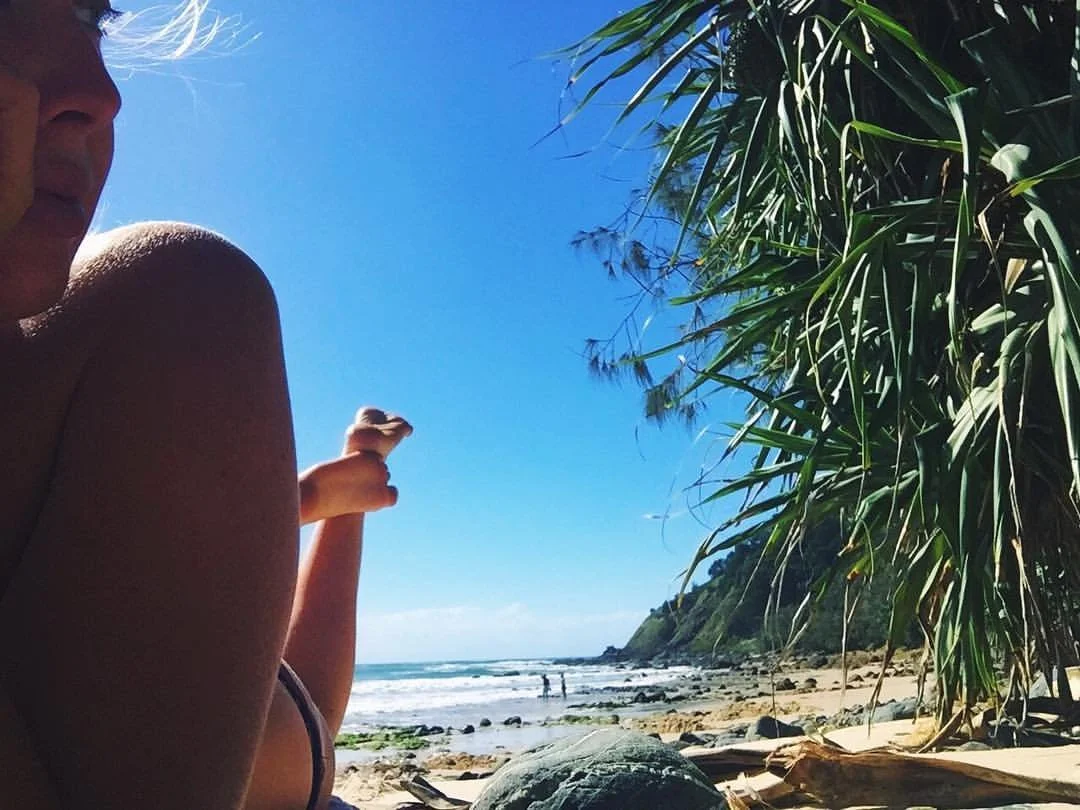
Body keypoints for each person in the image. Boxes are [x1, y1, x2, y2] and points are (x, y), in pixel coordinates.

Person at [0, 2, 411, 808]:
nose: (103, 92)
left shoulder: (145, 319)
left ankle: (329, 504)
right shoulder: (171, 308)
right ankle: (328, 503)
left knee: (306, 713)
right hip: (278, 750)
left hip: (278, 734)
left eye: (93, 19)